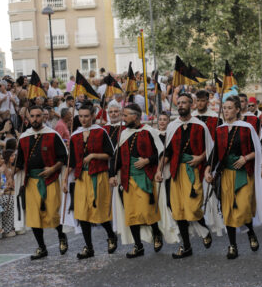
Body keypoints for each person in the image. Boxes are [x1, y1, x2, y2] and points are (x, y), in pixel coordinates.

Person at [204, 96, 262, 259]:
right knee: (228, 210)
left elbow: (257, 150)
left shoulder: (246, 128)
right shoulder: (220, 130)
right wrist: (208, 169)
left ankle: (250, 231)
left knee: (244, 206)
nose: (226, 110)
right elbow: (215, 152)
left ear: (238, 110)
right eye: (224, 108)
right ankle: (232, 245)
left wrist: (245, 158)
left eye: (230, 107)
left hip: (243, 172)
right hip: (226, 174)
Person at [156, 93, 214, 259]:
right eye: (179, 102)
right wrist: (159, 170)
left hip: (193, 170)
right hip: (176, 171)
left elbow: (210, 148)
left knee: (193, 207)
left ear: (192, 104)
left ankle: (204, 230)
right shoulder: (172, 126)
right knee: (178, 210)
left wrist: (200, 158)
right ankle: (186, 246)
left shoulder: (200, 126)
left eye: (184, 102)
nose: (181, 105)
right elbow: (167, 152)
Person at [14, 105, 68, 260]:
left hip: (50, 179)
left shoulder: (53, 135)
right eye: (32, 116)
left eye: (38, 116)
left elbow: (63, 158)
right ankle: (41, 247)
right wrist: (12, 177)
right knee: (34, 215)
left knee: (52, 212)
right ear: (28, 118)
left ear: (44, 117)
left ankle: (61, 236)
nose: (35, 119)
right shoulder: (24, 137)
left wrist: (52, 169)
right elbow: (19, 162)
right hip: (31, 180)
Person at [111, 103, 165, 258]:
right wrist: (112, 174)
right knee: (132, 214)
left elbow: (161, 153)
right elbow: (116, 158)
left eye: (125, 115)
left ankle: (156, 234)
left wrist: (147, 160)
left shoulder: (149, 132)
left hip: (145, 177)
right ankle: (138, 245)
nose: (123, 118)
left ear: (135, 116)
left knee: (147, 212)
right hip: (128, 178)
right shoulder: (122, 134)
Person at [64, 103, 117, 259]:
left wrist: (93, 155)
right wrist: (65, 179)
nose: (83, 119)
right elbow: (71, 161)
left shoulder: (100, 132)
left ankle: (111, 236)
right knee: (82, 213)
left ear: (93, 115)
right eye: (80, 116)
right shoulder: (75, 135)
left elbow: (110, 154)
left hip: (99, 175)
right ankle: (89, 247)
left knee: (99, 210)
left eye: (86, 116)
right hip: (81, 177)